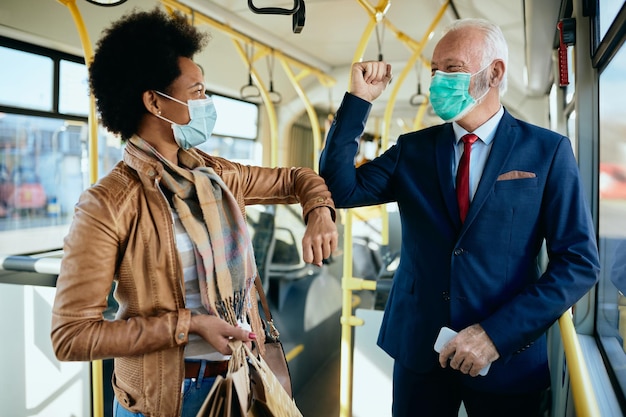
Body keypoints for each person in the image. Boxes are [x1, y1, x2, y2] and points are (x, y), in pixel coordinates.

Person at [51, 7, 338, 417]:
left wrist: (319, 212)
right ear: (155, 102)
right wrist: (190, 325)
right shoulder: (109, 203)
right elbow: (72, 335)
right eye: (199, 91)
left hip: (236, 376)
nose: (207, 102)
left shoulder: (216, 175)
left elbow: (297, 178)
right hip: (163, 397)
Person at [319, 18, 600, 417]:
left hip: (506, 357)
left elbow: (578, 263)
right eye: (433, 71)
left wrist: (495, 336)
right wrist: (358, 101)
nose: (437, 82)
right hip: (420, 349)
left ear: (495, 72)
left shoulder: (548, 151)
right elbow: (338, 188)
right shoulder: (412, 151)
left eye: (450, 69)